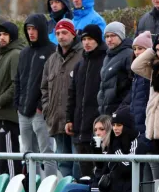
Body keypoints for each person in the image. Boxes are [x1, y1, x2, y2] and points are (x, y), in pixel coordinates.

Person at [15, 14, 57, 178]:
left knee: (46, 153)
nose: (31, 32)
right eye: (28, 29)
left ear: (42, 29)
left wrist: (41, 106)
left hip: (41, 112)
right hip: (23, 112)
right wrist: (18, 104)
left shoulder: (52, 50)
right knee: (27, 155)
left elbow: (52, 83)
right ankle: (32, 191)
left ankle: (50, 190)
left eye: (34, 29)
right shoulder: (24, 52)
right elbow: (18, 79)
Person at [41, 19, 84, 179]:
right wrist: (47, 110)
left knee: (78, 162)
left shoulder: (82, 56)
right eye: (58, 33)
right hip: (56, 120)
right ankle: (67, 191)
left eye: (64, 32)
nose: (61, 36)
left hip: (76, 121)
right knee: (63, 163)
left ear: (73, 34)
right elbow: (44, 87)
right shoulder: (52, 60)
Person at [66, 25, 108, 178]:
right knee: (84, 173)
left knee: (99, 169)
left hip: (97, 129)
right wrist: (69, 119)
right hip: (80, 129)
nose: (86, 43)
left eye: (90, 39)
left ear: (97, 40)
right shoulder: (79, 65)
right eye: (83, 39)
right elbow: (72, 94)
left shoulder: (105, 61)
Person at [0, 22, 23, 176]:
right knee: (1, 159)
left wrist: (1, 100)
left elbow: (16, 83)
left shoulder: (15, 54)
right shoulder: (2, 55)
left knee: (9, 159)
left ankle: (14, 189)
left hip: (6, 115)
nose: (2, 38)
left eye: (5, 34)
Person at [129, 31, 159, 180]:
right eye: (158, 50)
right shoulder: (155, 69)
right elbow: (136, 66)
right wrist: (152, 49)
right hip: (153, 129)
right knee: (152, 165)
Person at [97, 22, 133, 115]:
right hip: (106, 111)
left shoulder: (129, 54)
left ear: (121, 36)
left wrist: (123, 106)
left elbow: (133, 84)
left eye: (113, 35)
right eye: (107, 36)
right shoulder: (108, 56)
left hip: (120, 111)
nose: (109, 39)